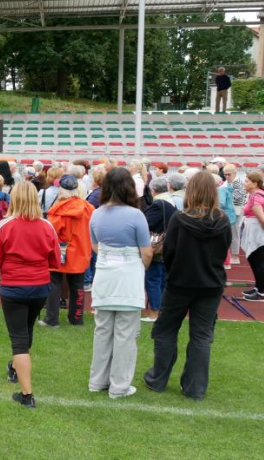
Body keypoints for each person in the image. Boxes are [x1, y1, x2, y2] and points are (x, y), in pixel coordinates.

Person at [144, 172, 232, 400]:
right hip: (209, 284)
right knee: (201, 336)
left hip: (181, 283)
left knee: (166, 330)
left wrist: (175, 272)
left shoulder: (182, 219)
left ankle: (159, 378)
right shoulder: (220, 220)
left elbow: (169, 252)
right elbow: (223, 251)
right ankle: (194, 387)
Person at [0, 181, 61, 409]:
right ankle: (14, 367)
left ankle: (27, 394)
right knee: (25, 329)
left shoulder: (6, 225)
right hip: (39, 286)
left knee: (19, 338)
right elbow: (56, 260)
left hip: (15, 286)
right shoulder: (46, 226)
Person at [88, 168, 153, 399]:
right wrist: (135, 263)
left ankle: (98, 381)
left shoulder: (96, 214)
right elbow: (147, 252)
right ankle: (119, 386)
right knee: (125, 334)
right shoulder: (136, 216)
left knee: (103, 331)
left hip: (105, 274)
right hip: (128, 276)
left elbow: (95, 246)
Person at [41, 175, 94, 328]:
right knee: (77, 285)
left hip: (60, 250)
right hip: (81, 250)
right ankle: (76, 318)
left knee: (54, 283)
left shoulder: (59, 209)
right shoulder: (88, 208)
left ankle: (52, 319)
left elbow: (52, 231)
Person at [141, 178, 178, 322]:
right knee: (161, 281)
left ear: (153, 190)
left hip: (157, 247)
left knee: (153, 281)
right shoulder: (172, 201)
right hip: (167, 247)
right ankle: (161, 312)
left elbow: (146, 223)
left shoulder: (158, 204)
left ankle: (154, 313)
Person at [240, 172, 264, 302]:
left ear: (255, 183)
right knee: (254, 260)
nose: (244, 184)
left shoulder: (256, 197)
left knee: (259, 261)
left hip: (257, 231)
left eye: (246, 181)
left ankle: (261, 293)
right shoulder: (257, 195)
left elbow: (261, 218)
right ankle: (258, 288)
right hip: (255, 229)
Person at [224, 164, 246, 265]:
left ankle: (235, 256)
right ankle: (230, 255)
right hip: (230, 211)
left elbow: (238, 197)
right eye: (225, 174)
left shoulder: (238, 183)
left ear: (235, 173)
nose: (227, 176)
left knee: (234, 233)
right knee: (230, 233)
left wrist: (225, 197)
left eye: (229, 174)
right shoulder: (228, 182)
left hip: (236, 211)